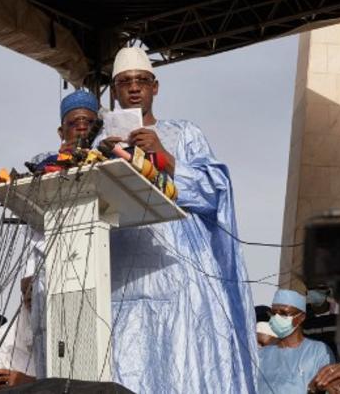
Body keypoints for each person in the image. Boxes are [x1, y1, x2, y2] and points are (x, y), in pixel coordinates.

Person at [79, 46, 256, 392]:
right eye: (125, 82)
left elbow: (215, 192)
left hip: (180, 280)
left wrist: (165, 158)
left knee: (182, 369)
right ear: (114, 91)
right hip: (119, 286)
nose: (133, 88)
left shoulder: (183, 133)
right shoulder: (99, 143)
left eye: (141, 81)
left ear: (155, 87)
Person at [258, 289, 335, 393]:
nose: (276, 318)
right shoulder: (262, 354)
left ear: (301, 318)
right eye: (274, 313)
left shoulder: (318, 352)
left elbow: (329, 386)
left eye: (283, 313)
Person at [0, 276, 36, 390]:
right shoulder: (6, 335)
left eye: (33, 289)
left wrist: (29, 382)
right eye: (24, 291)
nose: (27, 297)